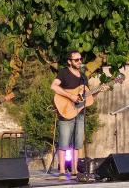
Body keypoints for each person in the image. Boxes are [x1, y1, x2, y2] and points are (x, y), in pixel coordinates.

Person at [51, 50, 88, 180]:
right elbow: (54, 86)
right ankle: (62, 170)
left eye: (80, 59)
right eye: (76, 60)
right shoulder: (63, 73)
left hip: (79, 112)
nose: (79, 62)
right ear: (69, 61)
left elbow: (86, 96)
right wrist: (70, 96)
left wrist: (99, 91)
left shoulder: (83, 77)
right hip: (65, 110)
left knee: (77, 143)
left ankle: (74, 170)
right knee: (64, 142)